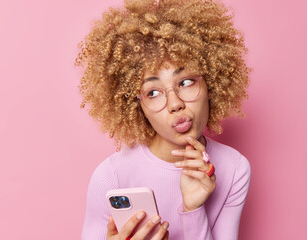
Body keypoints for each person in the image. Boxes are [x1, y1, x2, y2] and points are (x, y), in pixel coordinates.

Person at [74, 0, 252, 239]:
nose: (175, 103)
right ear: (138, 106)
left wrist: (193, 209)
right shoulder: (111, 176)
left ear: (210, 82)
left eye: (186, 82)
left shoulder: (234, 168)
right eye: (153, 93)